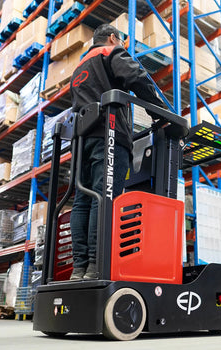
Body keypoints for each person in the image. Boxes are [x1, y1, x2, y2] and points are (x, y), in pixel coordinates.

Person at [69, 24, 164, 280]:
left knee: (82, 201)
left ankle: (80, 269)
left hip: (81, 141)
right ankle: (97, 266)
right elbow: (137, 78)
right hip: (109, 135)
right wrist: (161, 113)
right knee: (105, 196)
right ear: (113, 38)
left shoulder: (79, 69)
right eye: (121, 41)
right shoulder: (111, 52)